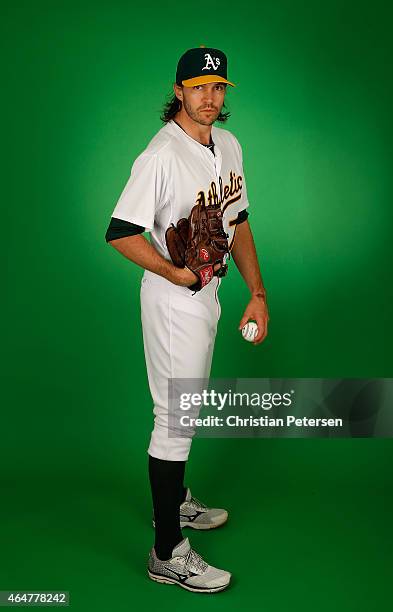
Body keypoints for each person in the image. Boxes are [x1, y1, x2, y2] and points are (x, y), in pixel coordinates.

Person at [105, 46, 269, 593]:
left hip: (211, 292)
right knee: (175, 418)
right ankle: (167, 551)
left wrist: (257, 291)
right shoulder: (160, 156)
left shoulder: (228, 144)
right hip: (175, 300)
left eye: (218, 87)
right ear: (178, 90)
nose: (209, 96)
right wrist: (175, 276)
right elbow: (122, 232)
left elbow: (237, 221)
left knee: (186, 410)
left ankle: (173, 504)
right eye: (198, 86)